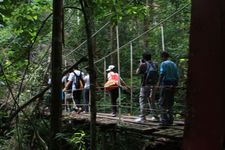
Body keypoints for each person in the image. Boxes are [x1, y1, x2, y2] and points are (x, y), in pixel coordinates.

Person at [135, 51, 159, 123]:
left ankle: (142, 118)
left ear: (143, 58)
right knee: (152, 100)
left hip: (145, 85)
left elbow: (137, 72)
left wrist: (140, 63)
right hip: (154, 85)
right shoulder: (155, 64)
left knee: (142, 100)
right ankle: (155, 117)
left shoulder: (143, 65)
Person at [159, 51, 179, 126]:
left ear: (163, 56)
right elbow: (177, 75)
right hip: (173, 83)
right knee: (170, 102)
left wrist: (159, 84)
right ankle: (170, 119)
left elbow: (162, 74)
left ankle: (164, 120)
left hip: (166, 83)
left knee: (163, 102)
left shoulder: (163, 64)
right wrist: (176, 85)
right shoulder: (173, 64)